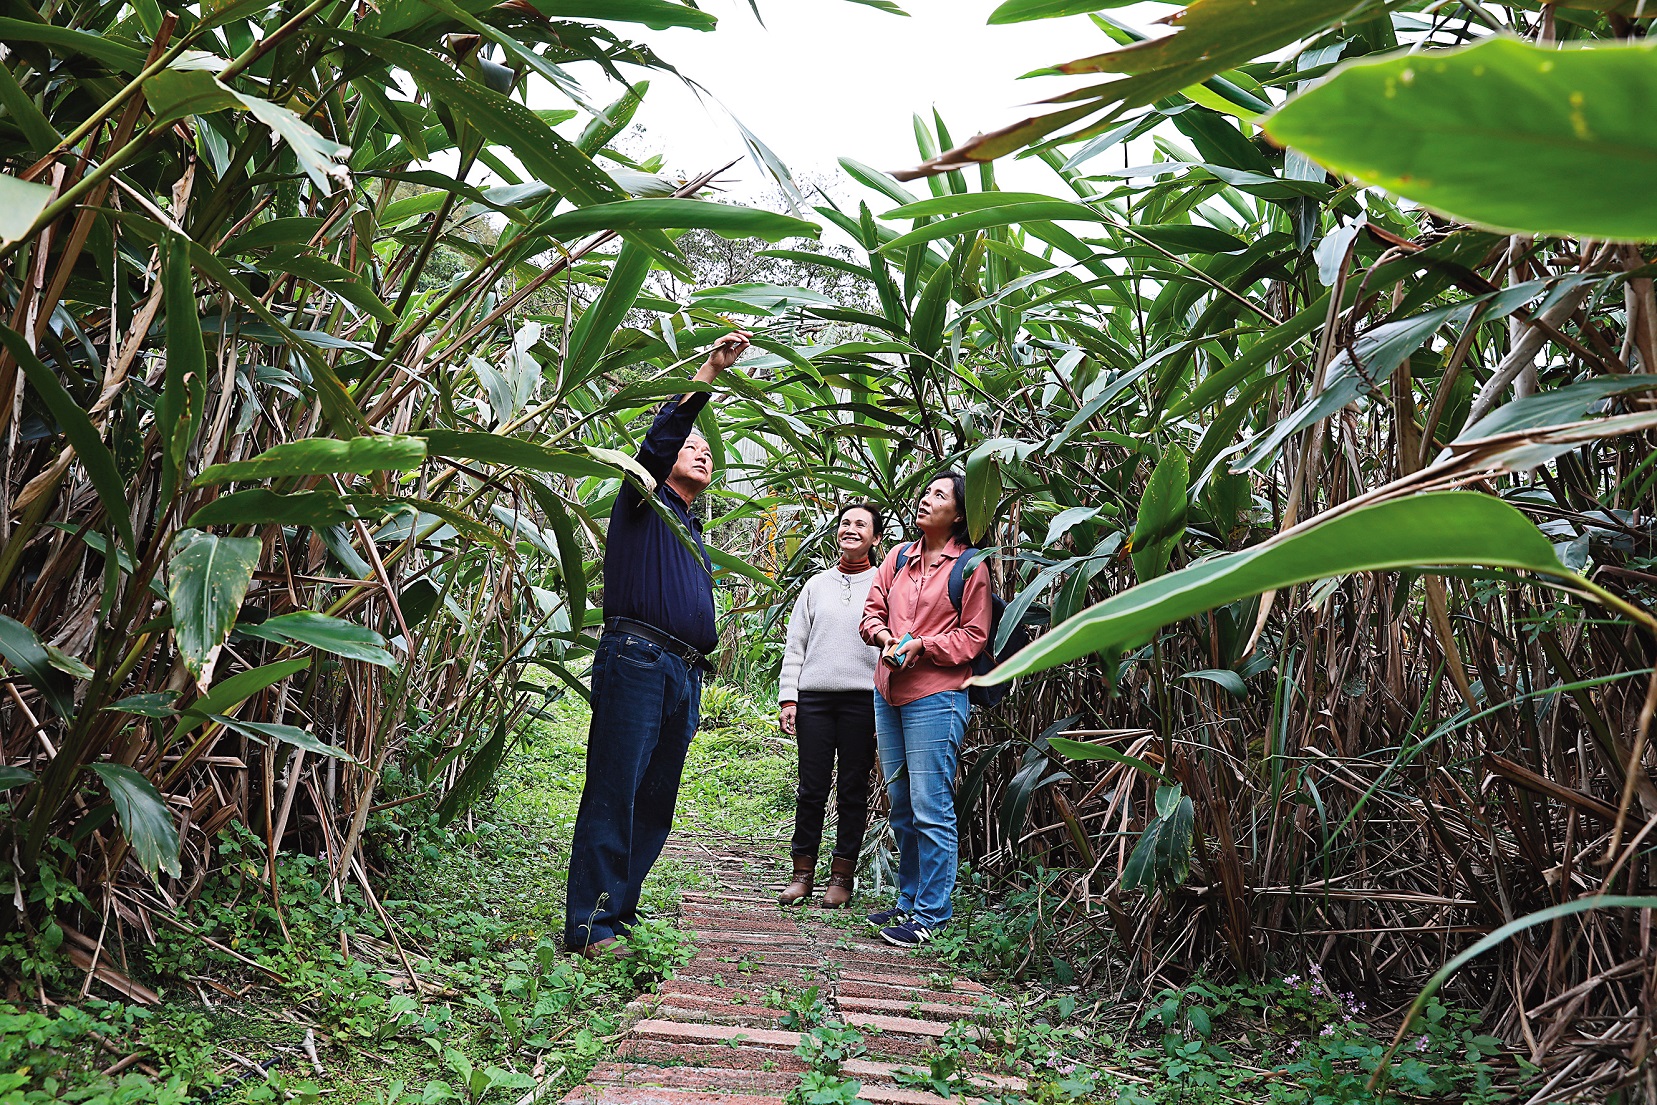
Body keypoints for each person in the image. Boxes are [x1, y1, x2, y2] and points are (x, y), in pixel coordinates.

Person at [564, 330, 752, 958]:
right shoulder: (642, 500)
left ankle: (619, 908)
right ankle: (591, 925)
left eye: (706, 449)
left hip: (682, 672)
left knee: (655, 800)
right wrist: (707, 373)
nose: (700, 452)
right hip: (637, 659)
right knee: (615, 788)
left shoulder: (692, 526)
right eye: (691, 446)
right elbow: (659, 441)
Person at [859, 471, 991, 947]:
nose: (925, 498)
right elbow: (871, 612)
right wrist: (884, 637)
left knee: (930, 806)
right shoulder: (896, 557)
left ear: (958, 514)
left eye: (939, 494)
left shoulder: (972, 566)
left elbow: (974, 636)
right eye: (926, 491)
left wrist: (923, 646)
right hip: (888, 692)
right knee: (901, 804)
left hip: (937, 697)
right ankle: (909, 901)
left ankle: (932, 915)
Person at [776, 503, 884, 908]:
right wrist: (790, 698)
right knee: (811, 787)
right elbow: (796, 646)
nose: (850, 529)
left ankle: (841, 876)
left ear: (874, 538)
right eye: (845, 523)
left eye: (861, 524)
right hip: (816, 700)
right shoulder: (816, 585)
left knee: (854, 789)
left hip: (863, 700)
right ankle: (801, 872)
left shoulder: (884, 583)